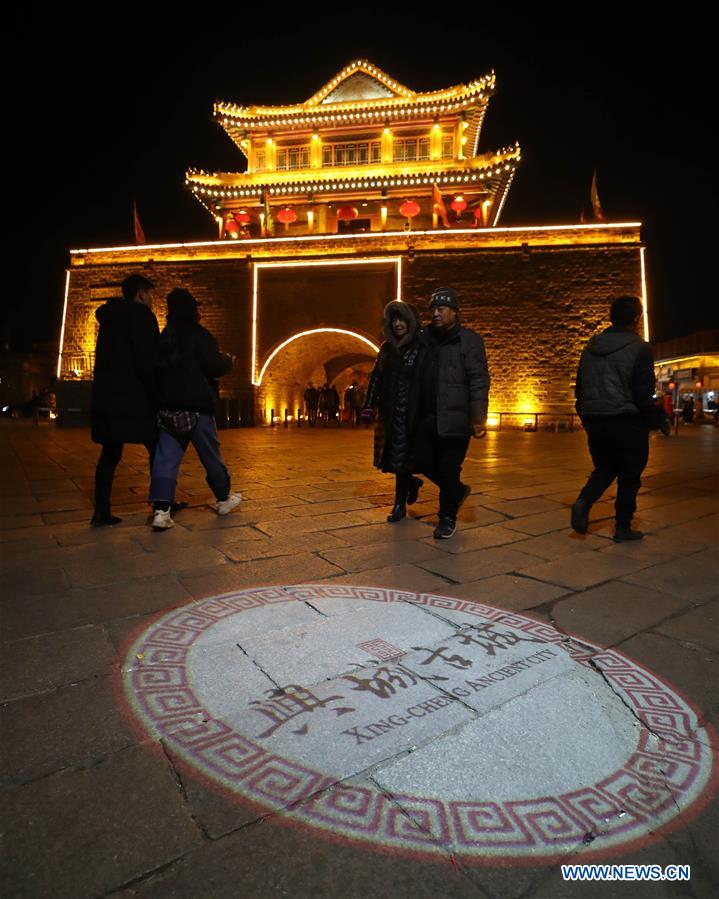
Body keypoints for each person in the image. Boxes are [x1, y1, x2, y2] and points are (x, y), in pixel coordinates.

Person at [148, 288, 241, 530]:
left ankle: (161, 510)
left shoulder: (163, 338)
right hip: (197, 408)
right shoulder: (200, 336)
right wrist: (228, 361)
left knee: (165, 459)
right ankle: (223, 499)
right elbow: (215, 365)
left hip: (168, 410)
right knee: (211, 455)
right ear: (191, 310)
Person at [571, 295, 656, 542]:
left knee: (605, 467)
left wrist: (586, 417)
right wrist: (651, 419)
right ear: (637, 319)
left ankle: (584, 501)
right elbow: (642, 392)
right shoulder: (639, 348)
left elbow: (580, 389)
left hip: (595, 419)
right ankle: (622, 527)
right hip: (626, 420)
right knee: (630, 474)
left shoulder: (590, 347)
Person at [414, 287, 490, 539]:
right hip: (427, 416)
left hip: (456, 418)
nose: (435, 314)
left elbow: (478, 379)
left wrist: (478, 417)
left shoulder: (469, 340)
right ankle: (456, 491)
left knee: (448, 468)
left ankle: (447, 517)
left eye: (441, 309)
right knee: (420, 461)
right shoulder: (423, 338)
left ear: (454, 312)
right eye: (432, 309)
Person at [90, 273, 159, 526]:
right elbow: (147, 360)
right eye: (150, 294)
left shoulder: (109, 318)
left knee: (110, 453)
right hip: (137, 399)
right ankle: (160, 503)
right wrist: (156, 391)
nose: (152, 299)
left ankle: (101, 510)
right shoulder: (142, 317)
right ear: (141, 293)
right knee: (156, 447)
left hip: (109, 398)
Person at [364, 301, 425, 522]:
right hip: (389, 413)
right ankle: (411, 483)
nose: (398, 324)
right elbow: (376, 378)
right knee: (392, 459)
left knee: (404, 459)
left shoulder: (420, 347)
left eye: (401, 319)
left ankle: (399, 505)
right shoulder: (387, 349)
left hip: (411, 413)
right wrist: (368, 405)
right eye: (394, 320)